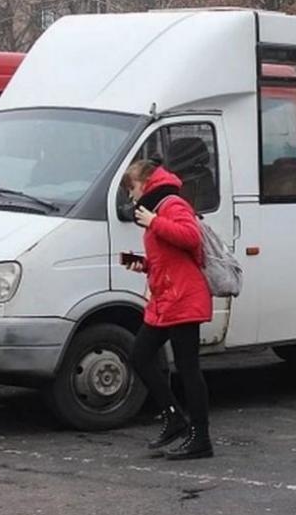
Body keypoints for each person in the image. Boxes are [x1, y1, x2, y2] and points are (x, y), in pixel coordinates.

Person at [123, 160, 214, 460]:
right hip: (167, 298)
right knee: (140, 354)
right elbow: (170, 256)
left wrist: (154, 222)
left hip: (183, 297)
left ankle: (200, 438)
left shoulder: (171, 204)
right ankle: (175, 418)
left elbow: (191, 237)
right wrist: (143, 264)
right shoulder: (158, 208)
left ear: (146, 182)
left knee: (188, 368)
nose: (131, 196)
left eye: (132, 188)